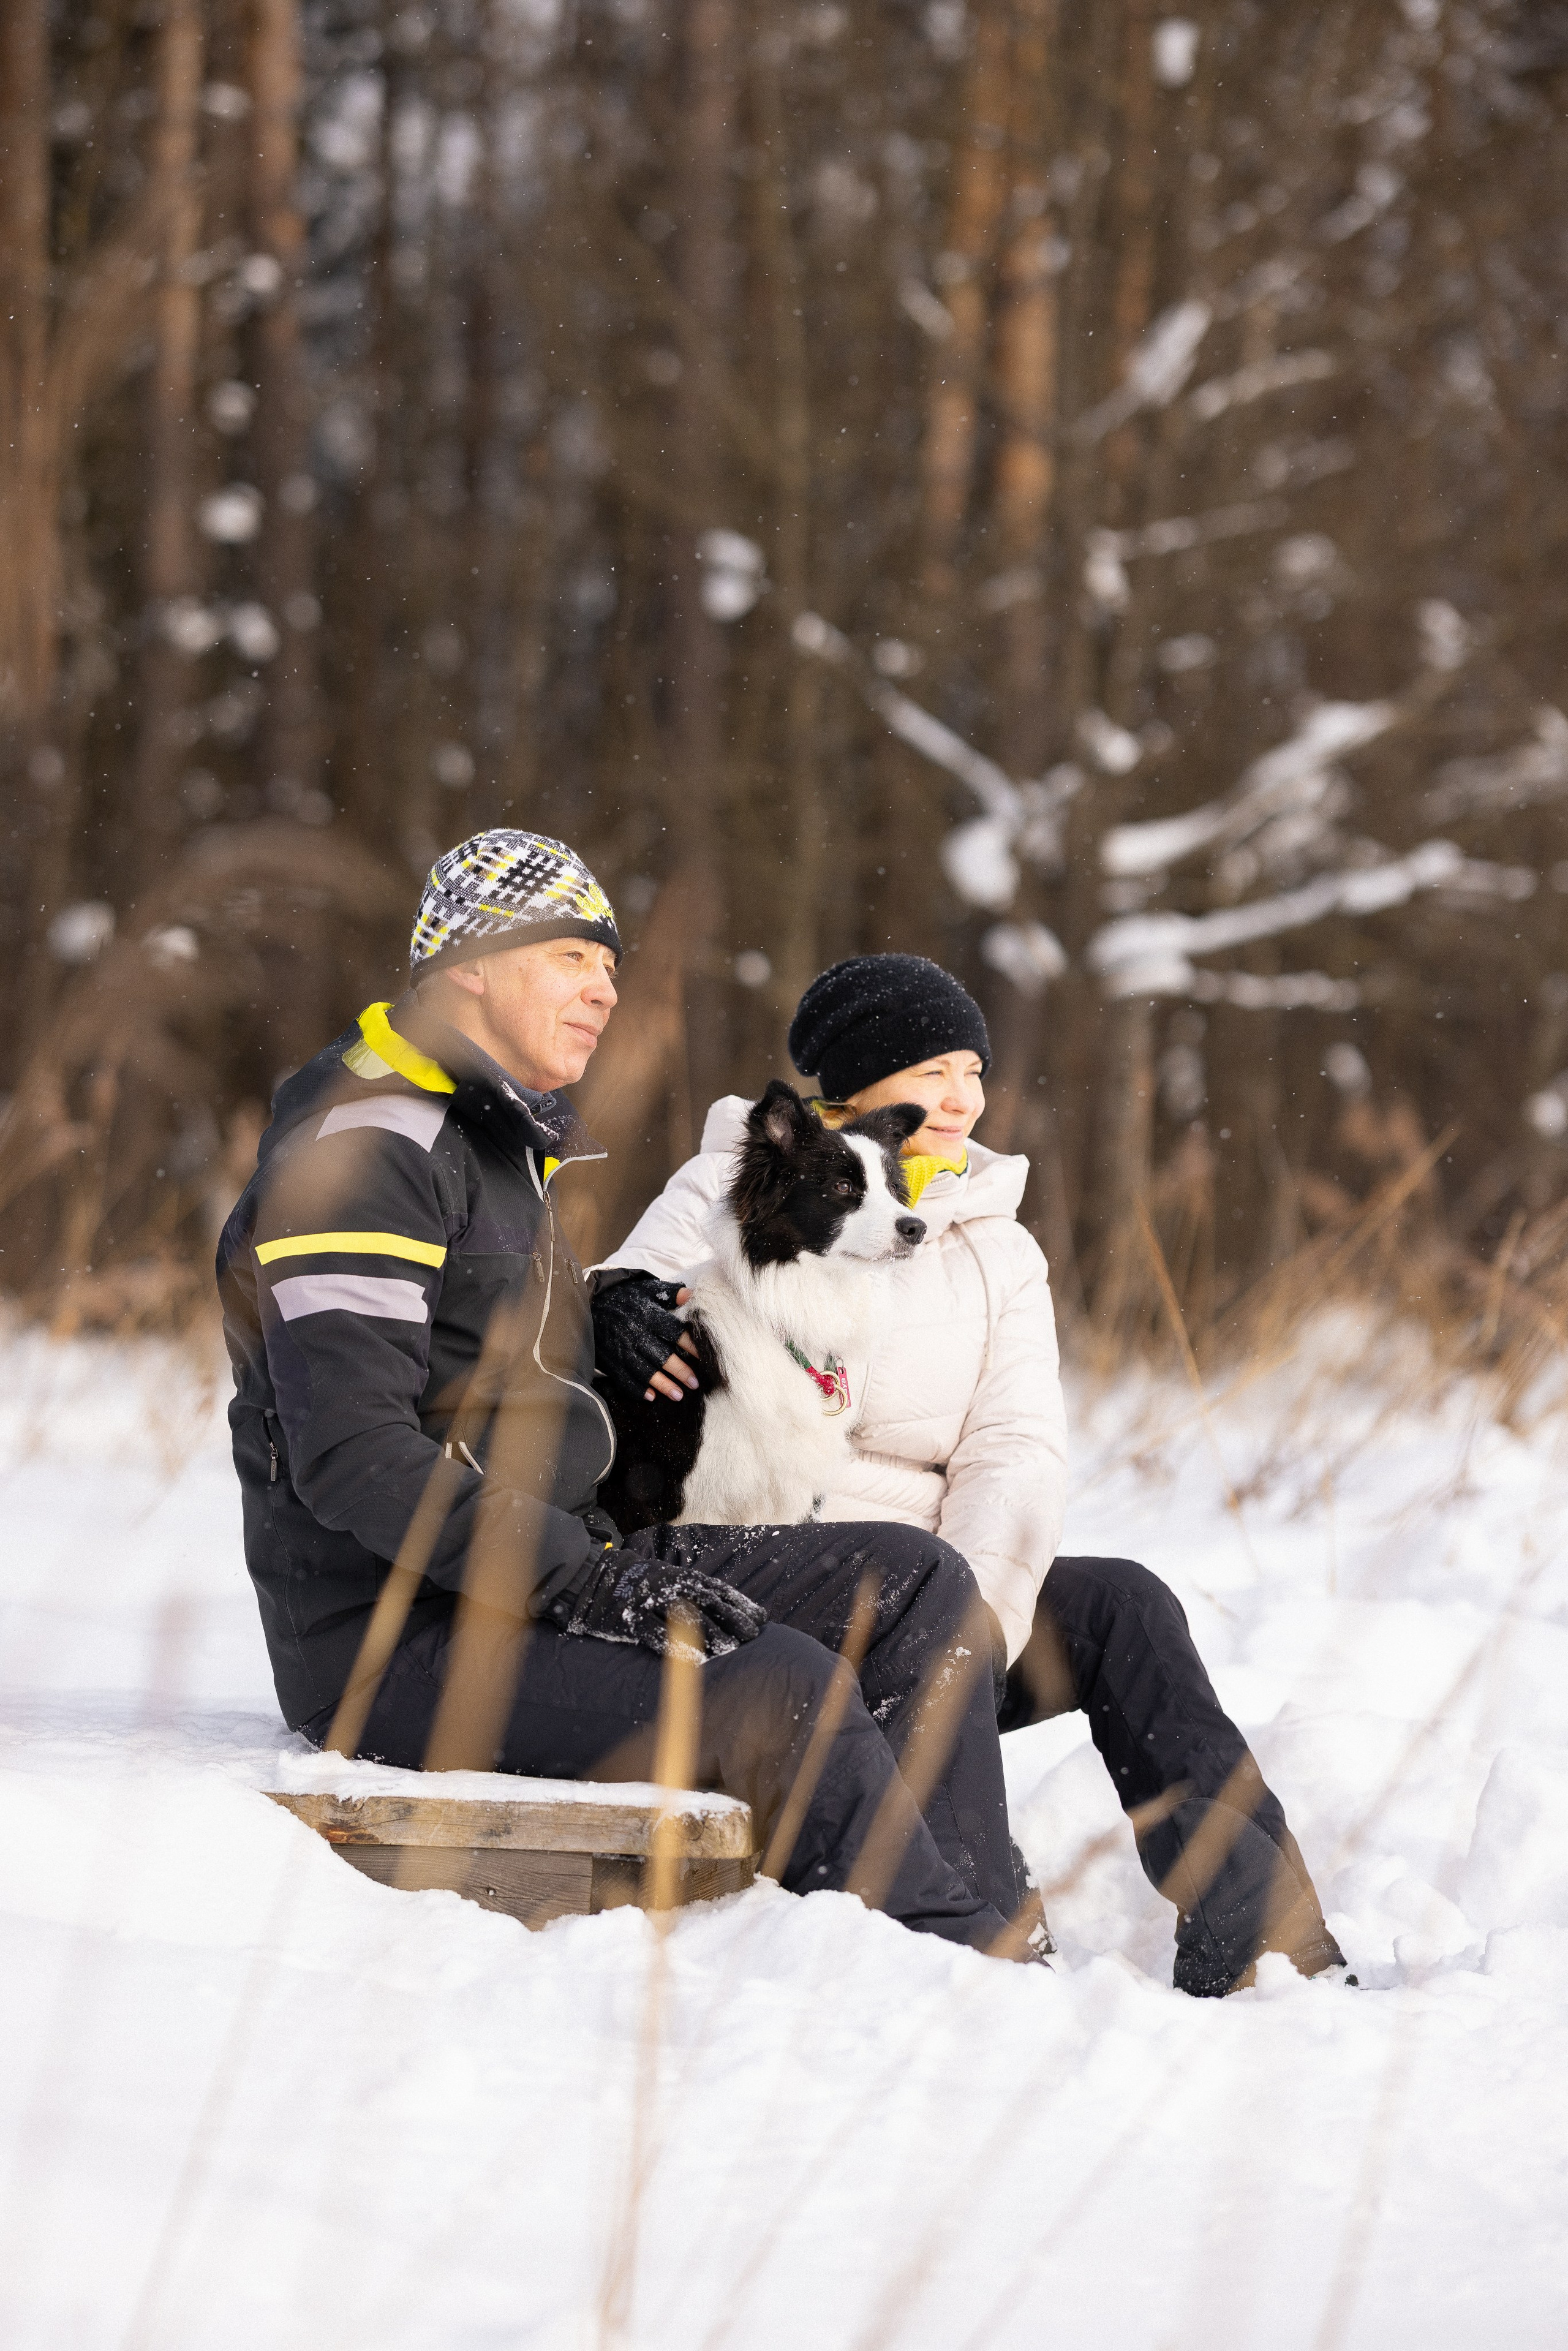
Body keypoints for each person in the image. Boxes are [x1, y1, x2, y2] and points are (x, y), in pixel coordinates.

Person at [217, 835, 1035, 1960]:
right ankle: (937, 1967)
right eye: (569, 956)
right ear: (466, 965)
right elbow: (355, 1455)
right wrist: (587, 1582)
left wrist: (596, 1309)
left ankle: (995, 1935)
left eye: (608, 962)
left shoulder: (492, 1139)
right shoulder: (366, 1147)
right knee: (780, 1682)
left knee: (909, 1581)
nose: (606, 986)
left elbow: (477, 1360)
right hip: (399, 1643)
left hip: (542, 1567)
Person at [592, 952, 1349, 1997]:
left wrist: (975, 1625)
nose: (963, 1098)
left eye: (974, 1072)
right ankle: (984, 1942)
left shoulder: (1002, 1250)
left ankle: (1265, 1940)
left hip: (942, 1601)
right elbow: (636, 1293)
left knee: (1124, 1603)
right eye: (933, 1070)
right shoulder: (743, 1176)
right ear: (854, 1088)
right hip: (782, 1588)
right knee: (914, 1586)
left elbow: (1015, 1449)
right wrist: (622, 1303)